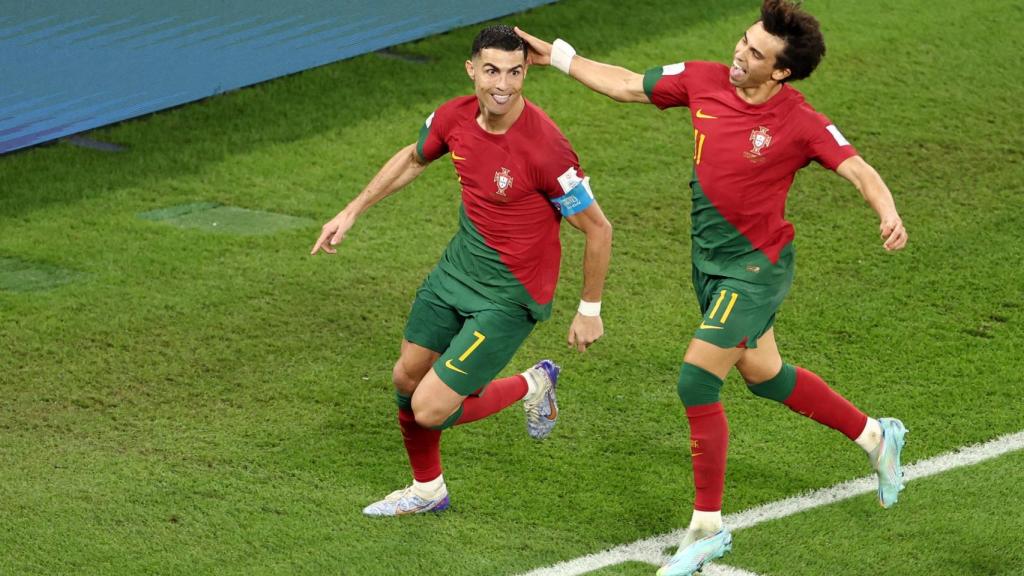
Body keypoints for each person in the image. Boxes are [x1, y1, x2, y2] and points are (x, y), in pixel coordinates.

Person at [515, 1, 907, 573]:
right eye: (743, 42)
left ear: (782, 73)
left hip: (757, 268)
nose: (739, 55)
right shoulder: (702, 80)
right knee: (765, 375)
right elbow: (627, 85)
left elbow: (858, 168)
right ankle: (877, 437)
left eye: (755, 54)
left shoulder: (799, 121)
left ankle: (705, 529)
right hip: (710, 265)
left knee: (697, 378)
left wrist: (887, 211)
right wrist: (560, 57)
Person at [311, 24, 613, 517]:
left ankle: (533, 383)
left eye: (515, 73)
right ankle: (427, 490)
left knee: (431, 408)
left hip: (509, 296)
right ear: (472, 69)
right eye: (492, 70)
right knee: (407, 379)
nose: (504, 84)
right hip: (456, 272)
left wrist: (590, 309)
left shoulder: (548, 149)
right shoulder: (453, 118)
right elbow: (413, 158)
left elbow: (598, 229)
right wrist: (352, 210)